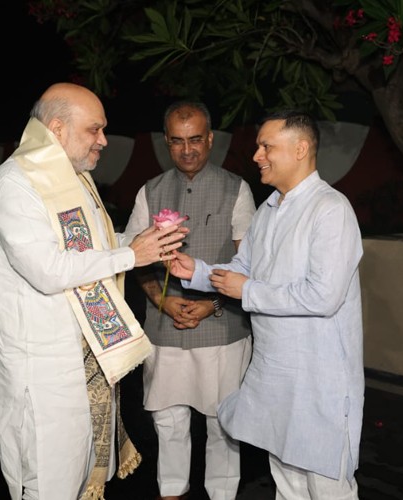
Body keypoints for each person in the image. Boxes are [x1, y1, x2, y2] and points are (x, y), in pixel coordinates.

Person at [0, 82, 187, 500]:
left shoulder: (76, 183)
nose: (104, 141)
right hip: (42, 378)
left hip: (84, 367)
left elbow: (96, 247)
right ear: (57, 129)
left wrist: (145, 241)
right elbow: (47, 270)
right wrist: (132, 254)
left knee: (80, 483)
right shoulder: (17, 184)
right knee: (48, 486)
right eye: (94, 130)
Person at [170, 110, 363, 499]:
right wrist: (196, 271)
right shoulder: (271, 208)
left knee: (327, 485)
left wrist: (250, 291)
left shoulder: (331, 209)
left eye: (266, 146)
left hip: (318, 380)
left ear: (301, 149)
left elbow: (323, 296)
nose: (257, 155)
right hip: (276, 377)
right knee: (287, 483)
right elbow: (241, 270)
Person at [123, 101, 255, 500]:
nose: (187, 149)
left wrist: (211, 304)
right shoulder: (151, 191)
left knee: (223, 426)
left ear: (210, 139)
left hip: (222, 327)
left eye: (196, 139)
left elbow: (248, 267)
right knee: (169, 423)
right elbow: (133, 258)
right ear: (167, 142)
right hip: (165, 328)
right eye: (178, 141)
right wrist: (162, 302)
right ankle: (172, 492)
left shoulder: (237, 189)